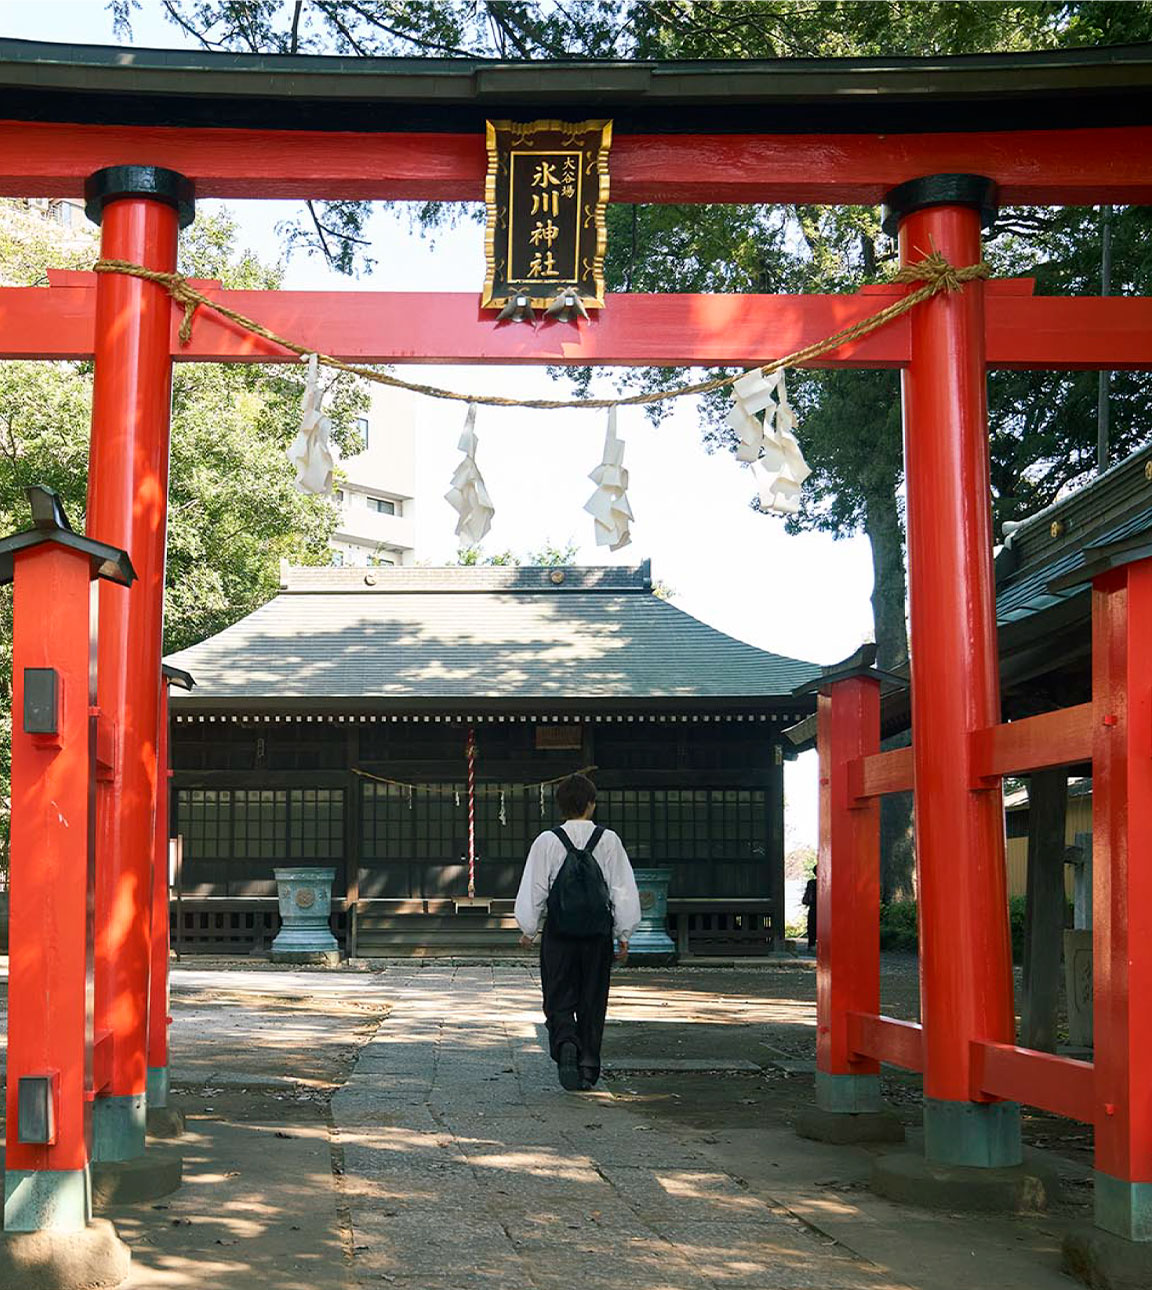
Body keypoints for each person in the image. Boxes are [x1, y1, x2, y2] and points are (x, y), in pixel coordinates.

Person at [515, 772, 641, 1092]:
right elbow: (622, 889)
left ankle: (565, 1041)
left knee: (558, 994)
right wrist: (623, 934)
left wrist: (528, 930)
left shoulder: (547, 841)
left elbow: (535, 889)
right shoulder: (609, 840)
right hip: (597, 935)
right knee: (592, 999)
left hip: (559, 933)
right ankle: (587, 1066)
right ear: (591, 805)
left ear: (560, 806)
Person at [802, 871, 818, 950]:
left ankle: (811, 943)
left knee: (812, 925)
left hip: (813, 907)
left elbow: (807, 897)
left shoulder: (811, 883)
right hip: (825, 907)